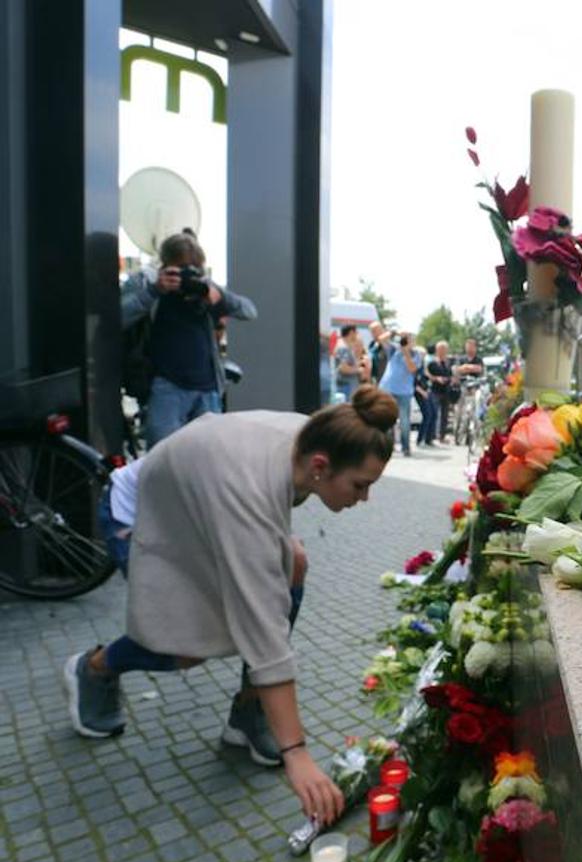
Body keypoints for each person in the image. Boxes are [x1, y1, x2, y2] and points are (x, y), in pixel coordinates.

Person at [64, 386, 398, 826]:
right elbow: (262, 628)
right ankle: (94, 668)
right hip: (143, 512)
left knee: (292, 561)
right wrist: (296, 753)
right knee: (185, 646)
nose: (364, 498)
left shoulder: (317, 439)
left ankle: (248, 710)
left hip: (201, 507)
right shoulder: (249, 491)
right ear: (321, 466)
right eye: (361, 485)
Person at [121, 229, 258, 448]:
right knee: (162, 459)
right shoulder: (147, 282)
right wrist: (155, 291)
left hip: (208, 388)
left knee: (205, 458)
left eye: (193, 268)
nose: (186, 275)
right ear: (165, 265)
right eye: (180, 268)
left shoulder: (202, 286)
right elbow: (117, 317)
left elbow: (249, 311)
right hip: (166, 387)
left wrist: (218, 296)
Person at [377, 329, 421, 455]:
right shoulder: (394, 349)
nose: (406, 341)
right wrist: (393, 333)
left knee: (404, 421)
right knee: (386, 418)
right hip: (388, 389)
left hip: (404, 392)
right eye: (406, 339)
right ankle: (385, 446)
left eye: (409, 339)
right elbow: (381, 339)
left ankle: (405, 447)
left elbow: (412, 369)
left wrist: (406, 352)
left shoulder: (416, 354)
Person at [427, 341, 455, 441]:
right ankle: (432, 435)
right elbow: (427, 375)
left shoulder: (449, 363)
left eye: (444, 349)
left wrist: (451, 379)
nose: (443, 352)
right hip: (435, 390)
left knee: (445, 415)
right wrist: (436, 378)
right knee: (434, 414)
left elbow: (451, 374)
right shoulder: (432, 362)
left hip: (446, 391)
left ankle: (442, 436)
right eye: (441, 349)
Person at [333, 325, 369, 401]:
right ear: (351, 332)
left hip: (347, 387)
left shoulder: (344, 346)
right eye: (356, 332)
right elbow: (343, 368)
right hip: (346, 387)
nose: (357, 334)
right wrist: (359, 370)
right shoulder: (343, 348)